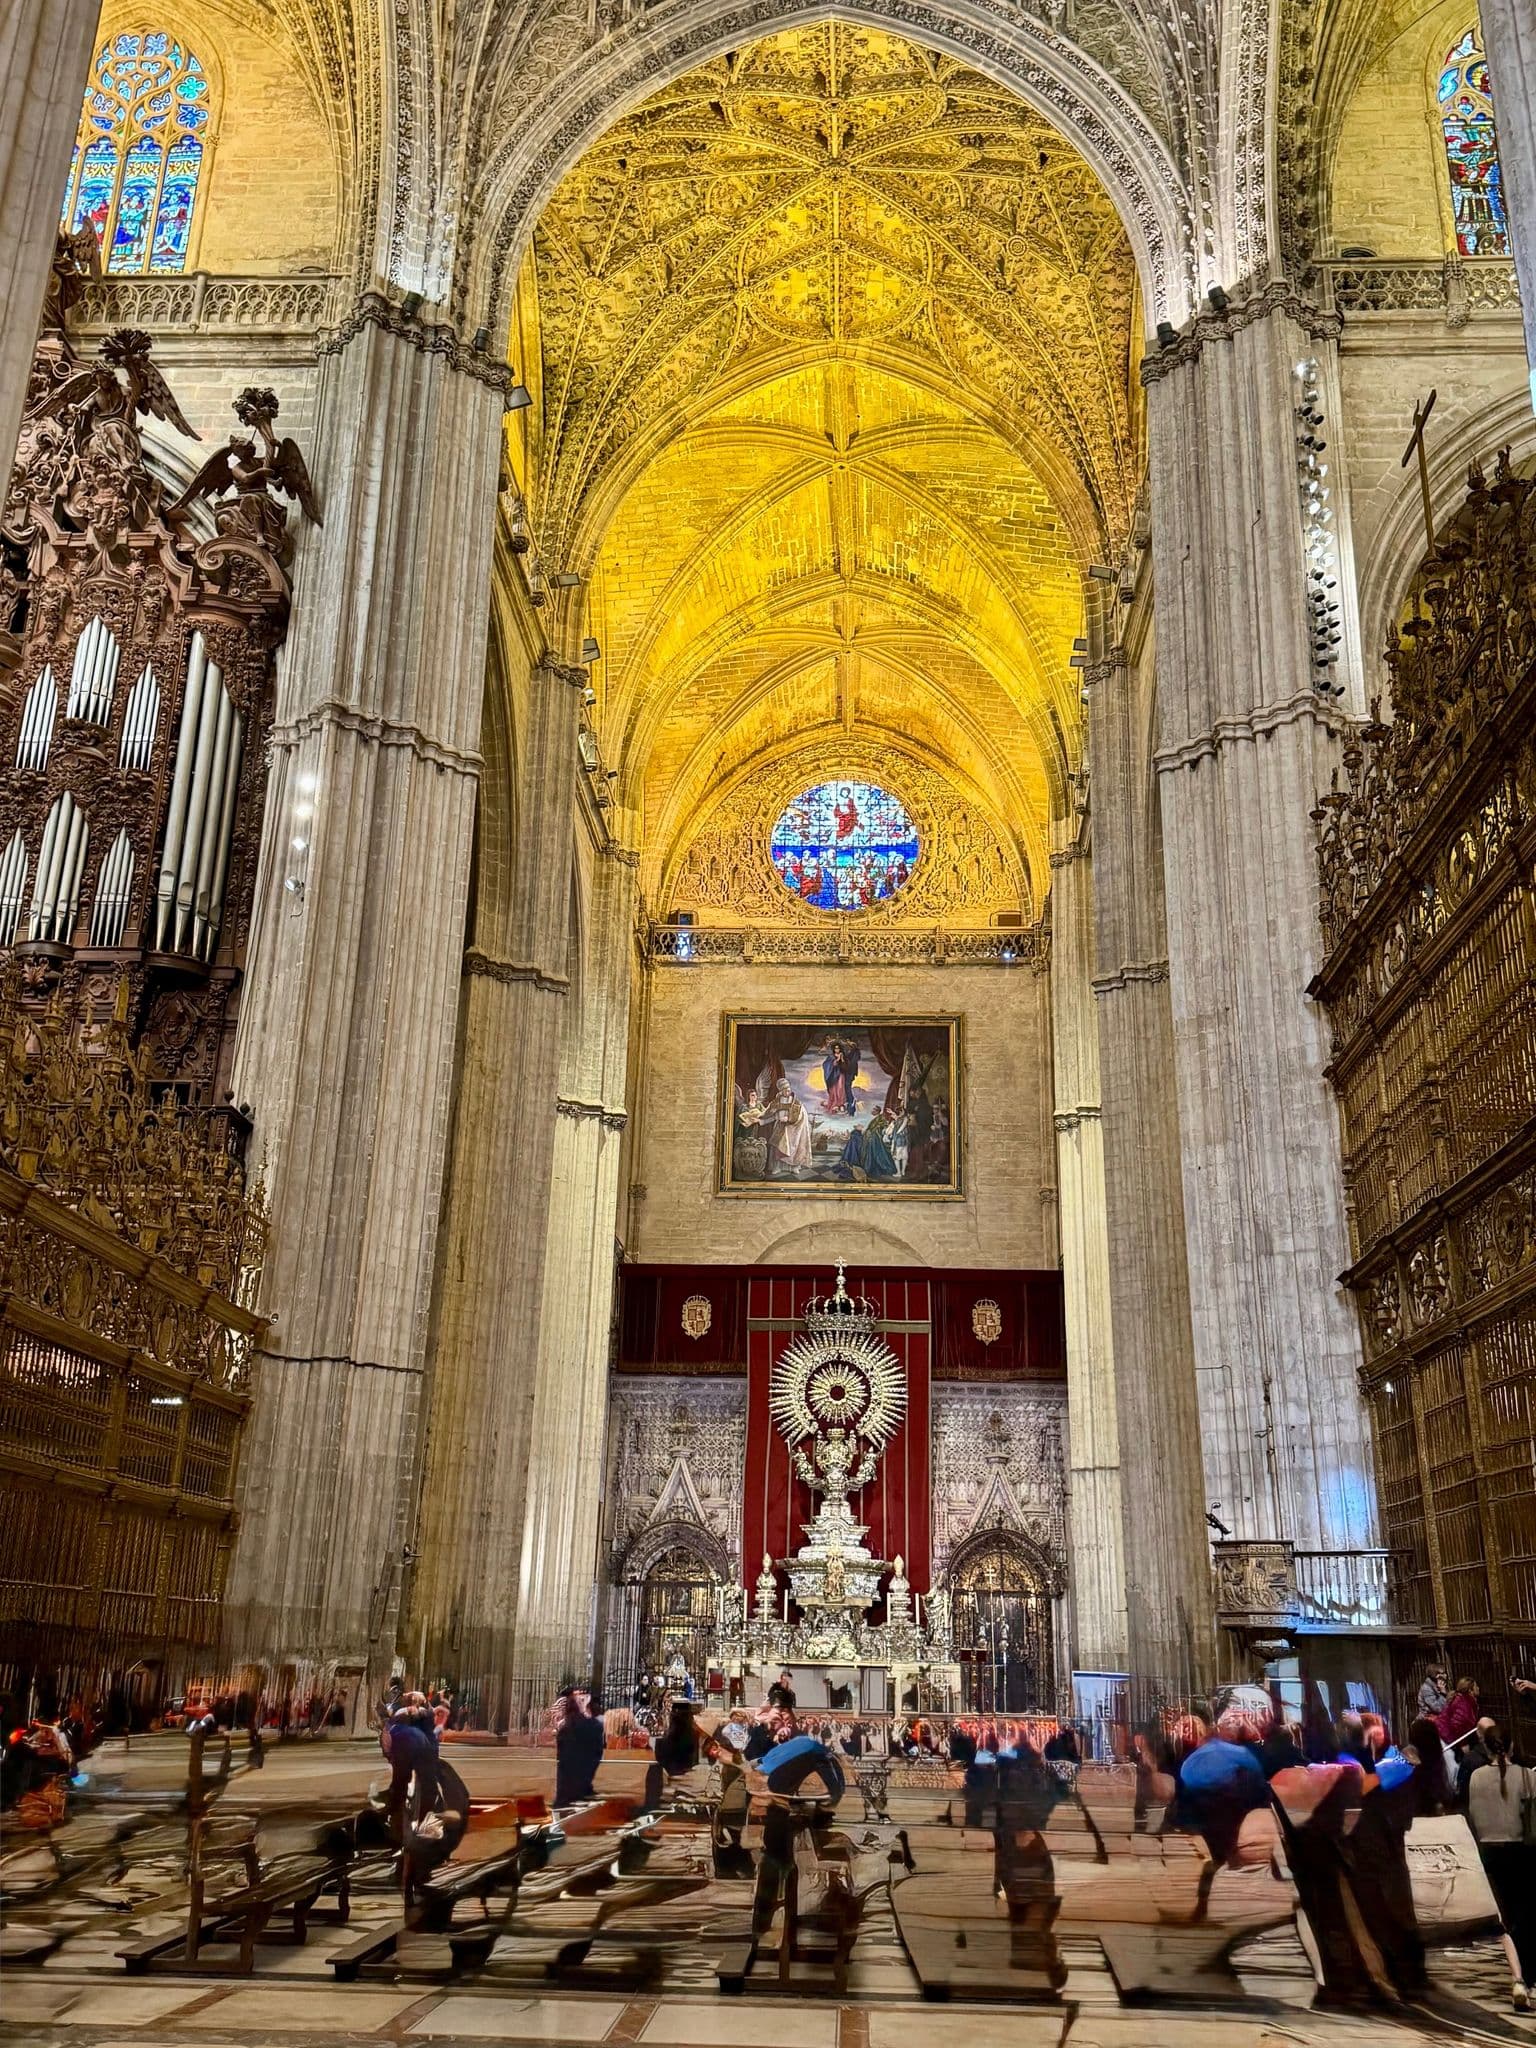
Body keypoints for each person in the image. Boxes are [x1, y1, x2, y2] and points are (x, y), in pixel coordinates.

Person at [1466, 1731, 1536, 2010]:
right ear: (1511, 1745)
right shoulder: (1528, 1776)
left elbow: (1473, 1814)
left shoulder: (1476, 1777)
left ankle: (1517, 1978)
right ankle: (1529, 1978)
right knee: (1526, 1916)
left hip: (1488, 1852)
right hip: (1521, 1852)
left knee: (1503, 1920)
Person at [552, 1687, 605, 1808]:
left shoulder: (566, 1730)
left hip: (566, 1790)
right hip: (580, 1785)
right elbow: (597, 1755)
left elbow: (562, 1758)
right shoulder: (594, 1726)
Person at [1436, 1675, 1480, 1746]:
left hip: (1446, 1737)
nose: (1478, 1688)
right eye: (1476, 1686)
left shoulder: (1464, 1700)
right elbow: (1457, 1725)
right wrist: (1462, 1744)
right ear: (1470, 1690)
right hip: (1447, 1739)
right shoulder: (1463, 1703)